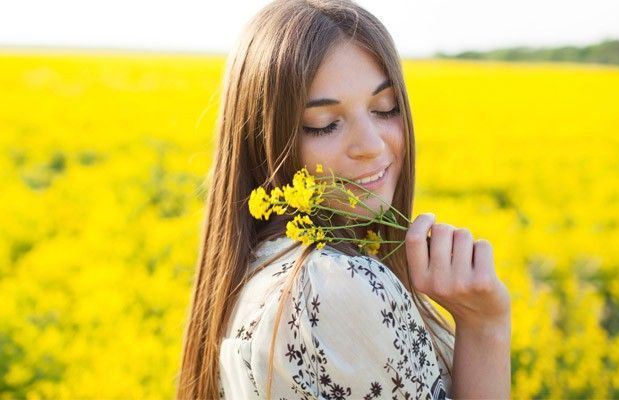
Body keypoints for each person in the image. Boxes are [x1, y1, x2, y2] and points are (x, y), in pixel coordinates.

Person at [176, 0, 512, 399]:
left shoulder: (258, 268)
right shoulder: (335, 286)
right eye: (325, 124)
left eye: (384, 109)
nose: (371, 145)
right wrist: (485, 327)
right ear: (264, 141)